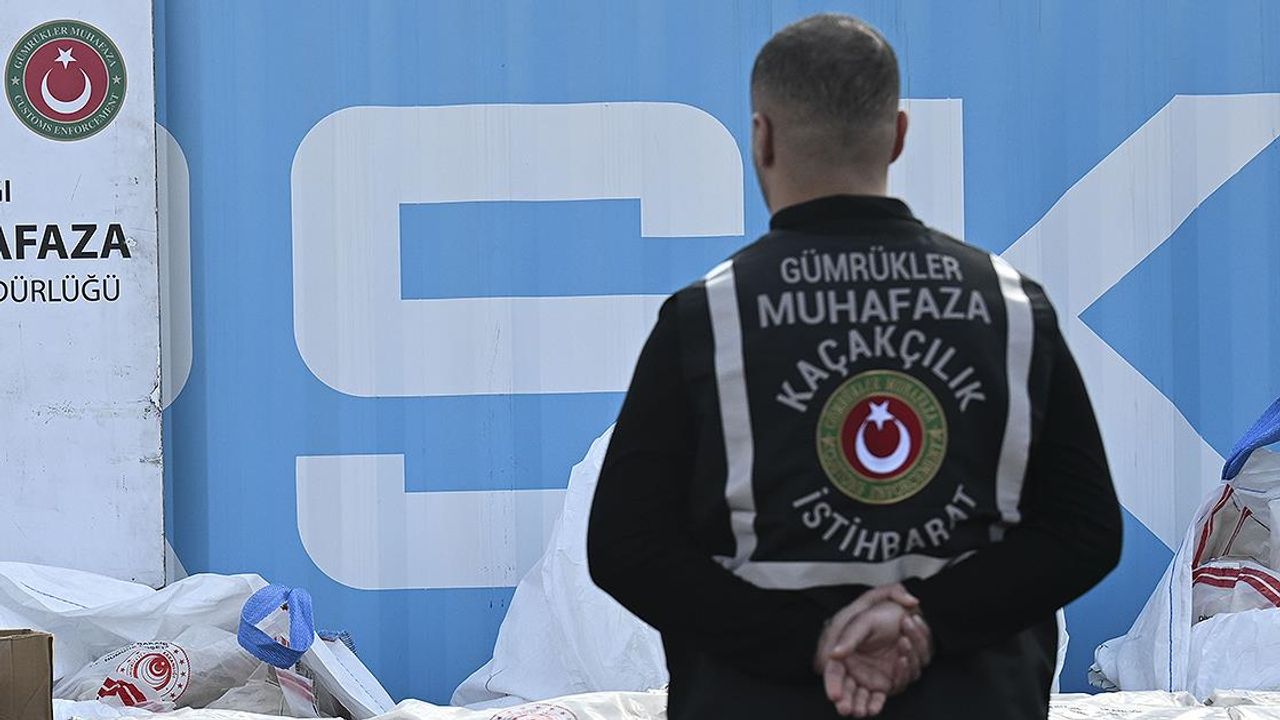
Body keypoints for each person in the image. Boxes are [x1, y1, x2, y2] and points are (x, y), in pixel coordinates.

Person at [586, 12, 1122, 720]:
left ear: (762, 136)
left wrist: (812, 643)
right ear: (898, 134)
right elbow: (1084, 533)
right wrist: (927, 622)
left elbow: (626, 546)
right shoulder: (1014, 307)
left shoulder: (706, 318)